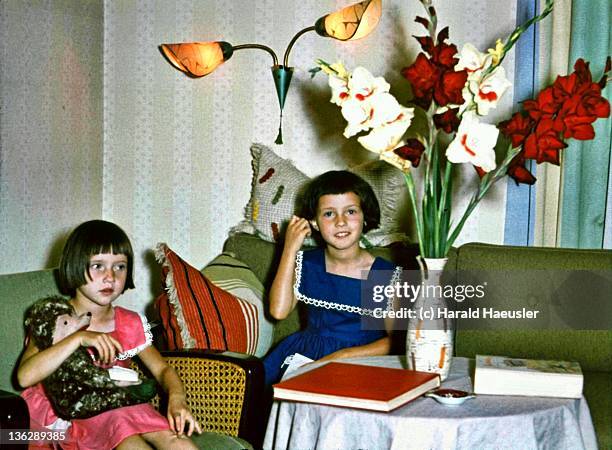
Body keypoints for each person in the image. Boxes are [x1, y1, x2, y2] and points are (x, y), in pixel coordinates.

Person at [17, 220, 201, 449]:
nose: (110, 277)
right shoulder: (53, 317)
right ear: (74, 265)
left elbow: (163, 369)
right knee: (128, 439)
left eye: (120, 266)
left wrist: (177, 398)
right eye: (98, 266)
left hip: (116, 402)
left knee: (175, 439)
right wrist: (78, 339)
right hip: (67, 415)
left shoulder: (129, 322)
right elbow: (24, 377)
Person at [263, 171, 402, 385]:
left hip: (361, 361)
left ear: (365, 217)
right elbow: (278, 311)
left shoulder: (383, 275)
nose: (340, 222)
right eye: (329, 214)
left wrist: (340, 357)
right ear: (314, 223)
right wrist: (290, 248)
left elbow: (396, 343)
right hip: (303, 356)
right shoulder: (307, 263)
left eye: (351, 211)